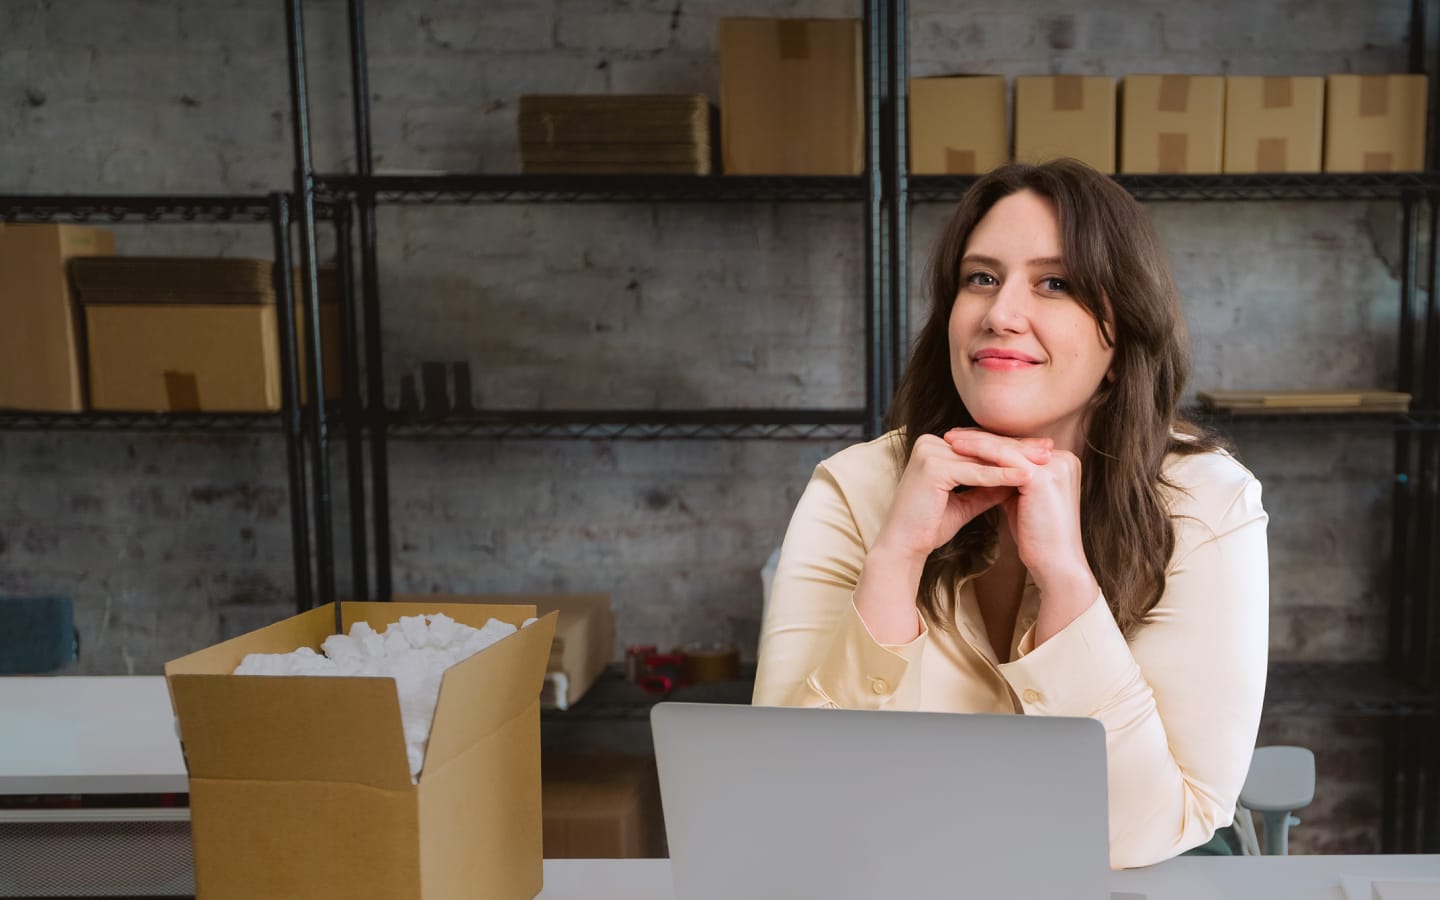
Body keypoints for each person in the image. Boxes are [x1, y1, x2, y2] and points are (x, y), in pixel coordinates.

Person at [752, 158, 1269, 869]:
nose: (1000, 314)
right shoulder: (855, 487)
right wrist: (894, 563)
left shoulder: (1208, 501)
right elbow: (779, 802)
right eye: (980, 278)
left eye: (1055, 283)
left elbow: (1152, 827)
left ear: (1120, 342)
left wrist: (1066, 583)